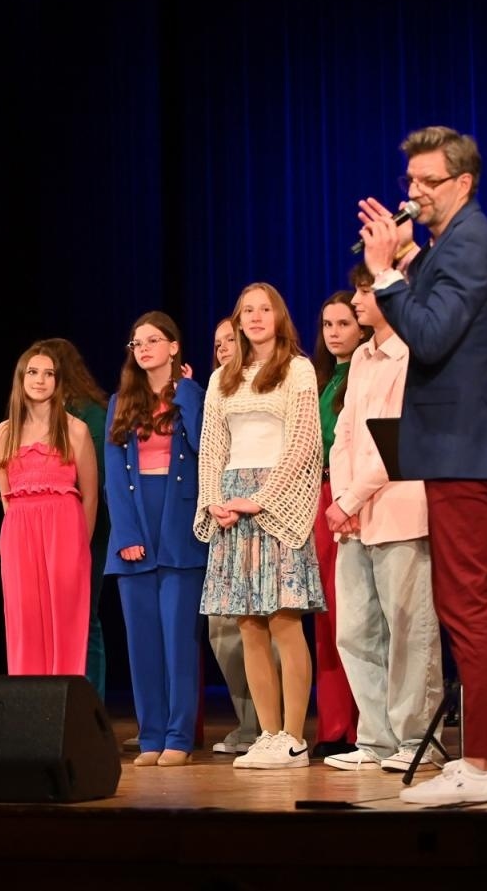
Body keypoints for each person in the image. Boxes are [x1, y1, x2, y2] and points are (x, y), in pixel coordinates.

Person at [357, 124, 487, 804]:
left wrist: (385, 273)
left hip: (465, 441)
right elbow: (435, 317)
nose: (415, 192)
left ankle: (483, 765)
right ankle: (479, 758)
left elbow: (428, 338)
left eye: (428, 181)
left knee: (465, 605)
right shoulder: (449, 243)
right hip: (451, 441)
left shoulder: (471, 243)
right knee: (458, 603)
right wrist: (403, 256)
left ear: (463, 182)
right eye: (411, 180)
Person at [197, 282, 325, 771]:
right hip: (232, 501)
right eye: (246, 310)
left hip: (278, 499)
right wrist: (214, 500)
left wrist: (261, 498)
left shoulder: (297, 369)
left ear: (279, 316)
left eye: (263, 309)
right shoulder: (222, 378)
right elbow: (212, 446)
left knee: (283, 621)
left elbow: (304, 443)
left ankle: (294, 737)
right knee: (248, 624)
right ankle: (268, 734)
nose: (254, 317)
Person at [321, 265, 442, 773]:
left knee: (408, 629)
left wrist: (350, 500)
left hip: (398, 509)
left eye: (366, 291)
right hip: (354, 514)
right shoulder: (362, 358)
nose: (357, 300)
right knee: (354, 631)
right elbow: (345, 433)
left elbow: (395, 439)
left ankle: (417, 739)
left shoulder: (412, 354)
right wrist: (343, 500)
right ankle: (376, 739)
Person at [104, 312, 205, 768]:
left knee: (179, 639)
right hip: (137, 520)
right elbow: (113, 471)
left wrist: (187, 392)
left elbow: (205, 446)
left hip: (179, 523)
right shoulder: (120, 401)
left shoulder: (193, 395)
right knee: (142, 641)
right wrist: (126, 532)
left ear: (173, 346)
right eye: (136, 343)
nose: (143, 349)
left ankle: (179, 737)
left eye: (152, 340)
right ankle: (150, 737)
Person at [0, 342, 100, 677]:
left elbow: (91, 496)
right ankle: (28, 700)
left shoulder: (75, 429)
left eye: (49, 373)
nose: (40, 380)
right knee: (25, 619)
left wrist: (80, 545)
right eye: (33, 372)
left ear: (58, 380)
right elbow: (6, 495)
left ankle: (64, 699)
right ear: (21, 378)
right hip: (19, 531)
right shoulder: (3, 433)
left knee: (65, 620)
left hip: (65, 530)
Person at [203, 316, 267, 756]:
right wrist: (214, 501)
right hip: (223, 513)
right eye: (218, 342)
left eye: (231, 339)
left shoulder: (272, 381)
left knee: (263, 623)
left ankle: (271, 725)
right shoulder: (217, 388)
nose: (224, 347)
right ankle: (248, 724)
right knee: (222, 629)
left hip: (261, 506)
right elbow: (211, 450)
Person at [308, 290, 368, 758]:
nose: (334, 333)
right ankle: (333, 725)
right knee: (326, 615)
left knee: (356, 613)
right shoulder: (321, 380)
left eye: (344, 323)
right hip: (320, 498)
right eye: (328, 324)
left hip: (353, 496)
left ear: (362, 327)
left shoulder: (364, 375)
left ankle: (364, 727)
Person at [39, 338, 112, 699]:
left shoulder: (90, 414)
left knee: (83, 615)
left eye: (47, 371)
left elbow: (94, 480)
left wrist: (81, 536)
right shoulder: (34, 415)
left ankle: (91, 703)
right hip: (43, 529)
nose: (39, 379)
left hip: (85, 525)